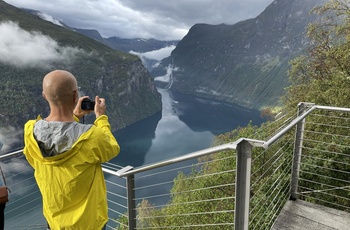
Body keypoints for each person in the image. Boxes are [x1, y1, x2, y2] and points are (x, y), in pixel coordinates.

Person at [23, 70, 120, 230]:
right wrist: (101, 117)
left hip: (54, 221)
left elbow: (35, 159)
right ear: (75, 96)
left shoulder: (30, 131)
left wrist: (74, 116)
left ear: (44, 95)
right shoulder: (92, 136)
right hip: (88, 223)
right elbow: (111, 148)